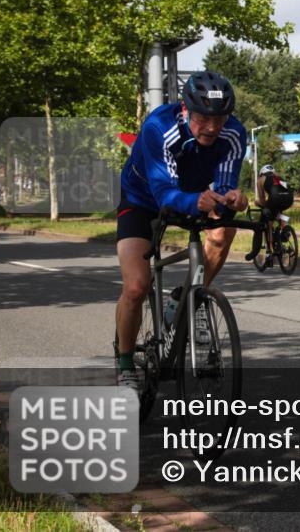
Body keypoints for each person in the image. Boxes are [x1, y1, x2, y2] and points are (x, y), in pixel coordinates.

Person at [115, 71, 248, 390]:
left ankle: (191, 296)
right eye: (203, 117)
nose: (213, 127)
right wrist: (199, 201)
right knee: (136, 286)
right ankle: (125, 365)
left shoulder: (234, 134)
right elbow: (164, 193)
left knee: (223, 231)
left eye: (220, 118)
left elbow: (226, 183)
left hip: (193, 195)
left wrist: (233, 199)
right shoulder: (158, 128)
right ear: (186, 110)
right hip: (142, 199)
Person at [246, 164, 294, 264]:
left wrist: (256, 203)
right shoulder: (279, 178)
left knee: (267, 223)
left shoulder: (260, 180)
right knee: (278, 212)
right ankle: (285, 227)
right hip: (289, 198)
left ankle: (269, 253)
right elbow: (285, 191)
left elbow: (263, 201)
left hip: (275, 198)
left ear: (261, 174)